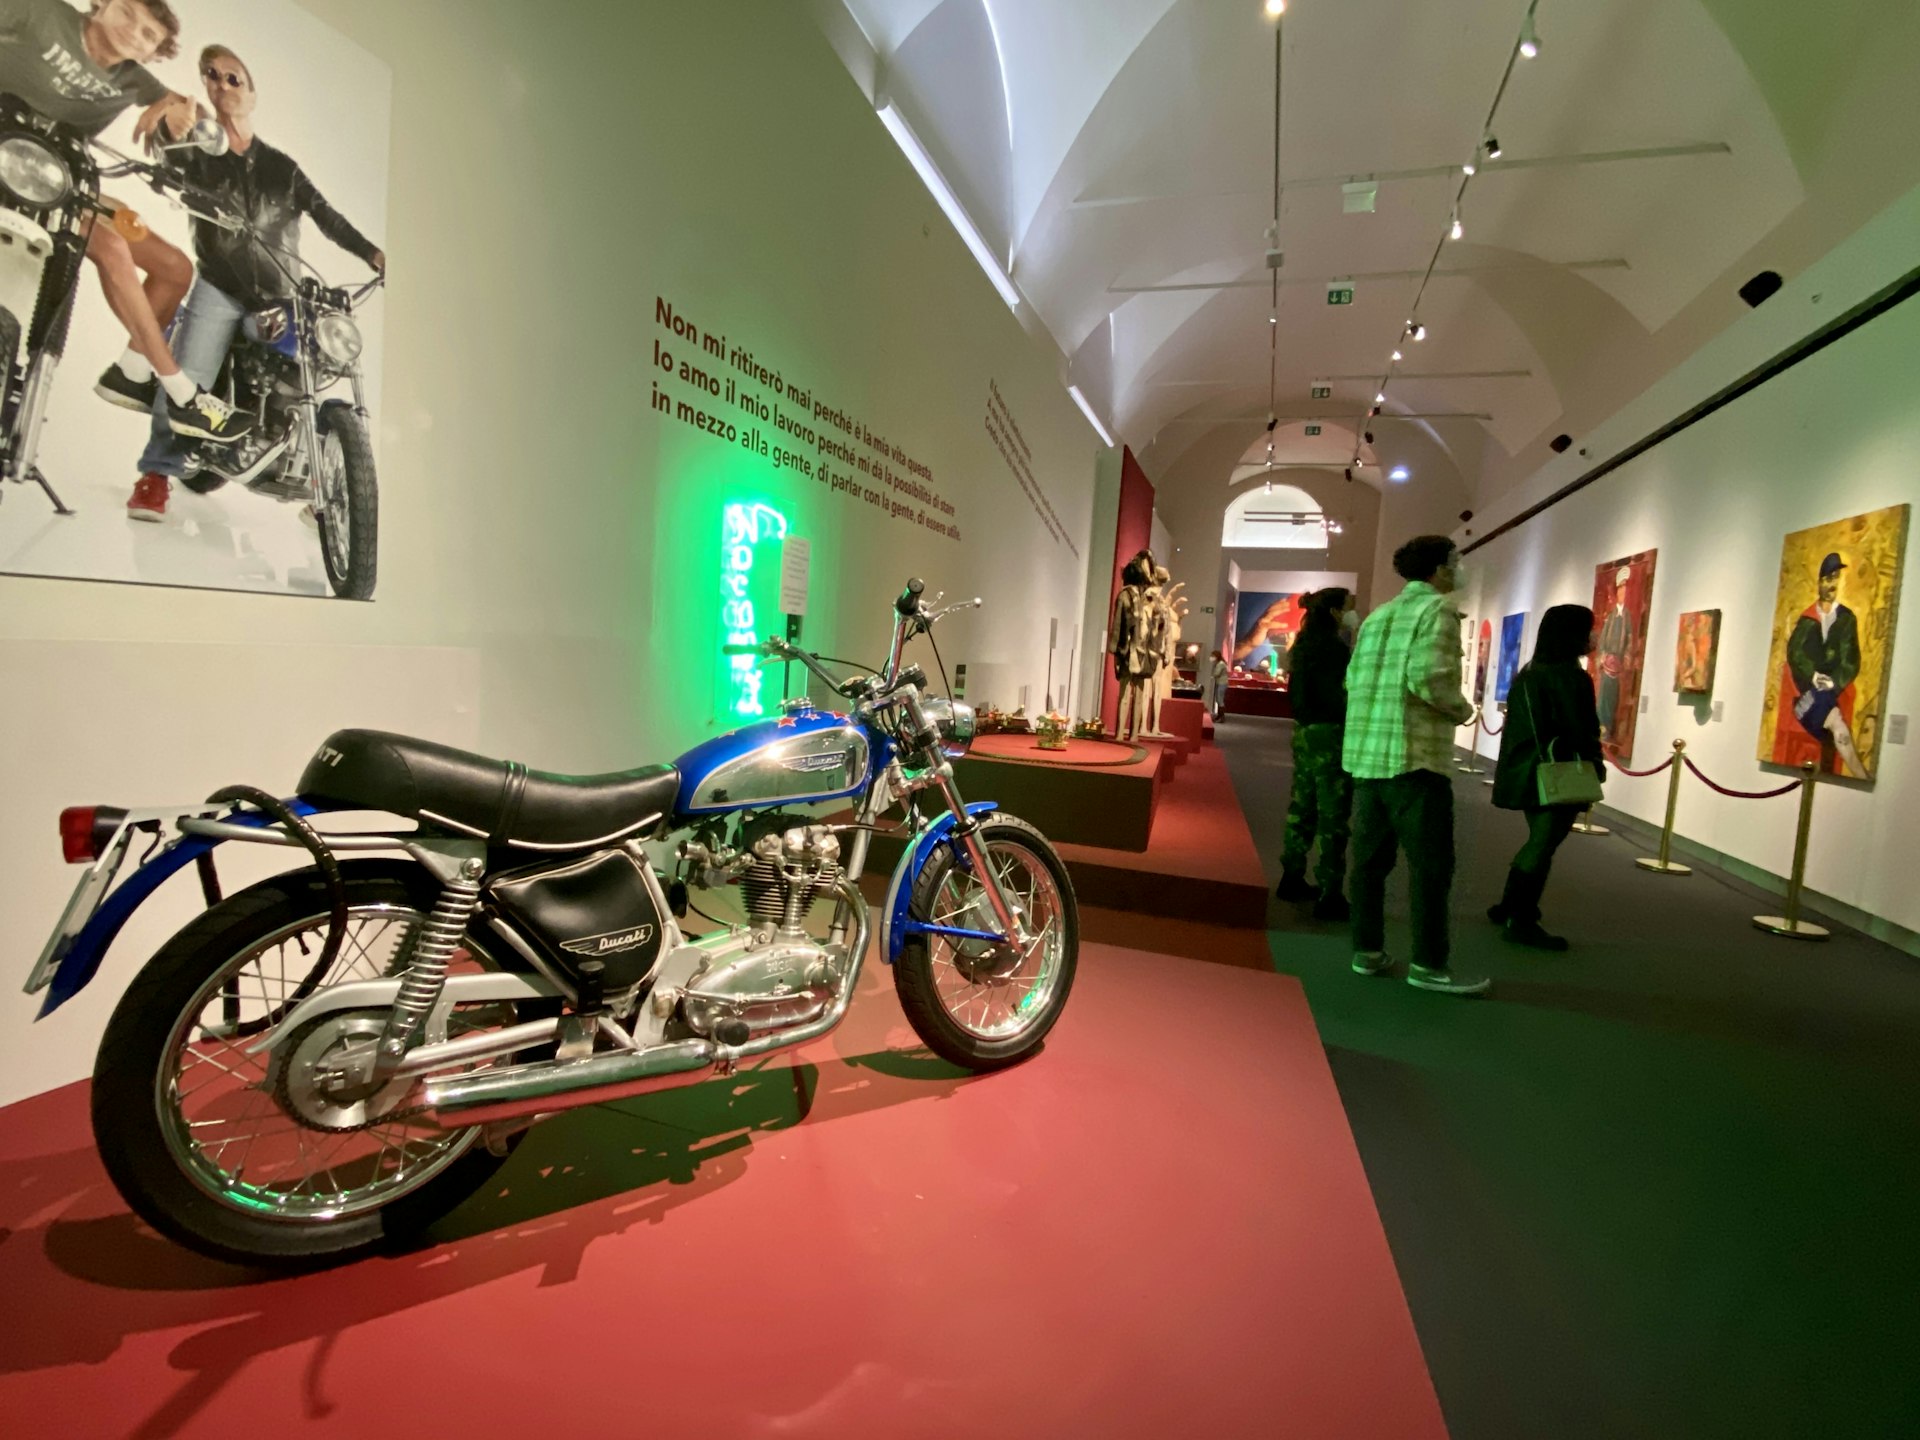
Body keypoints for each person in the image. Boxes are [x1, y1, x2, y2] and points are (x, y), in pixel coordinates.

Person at [125, 42, 386, 520]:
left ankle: (322, 484)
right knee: (189, 379)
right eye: (211, 75)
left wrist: (374, 254)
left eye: (232, 78)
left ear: (252, 94)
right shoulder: (196, 153)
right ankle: (156, 474)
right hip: (221, 287)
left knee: (310, 370)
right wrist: (167, 125)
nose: (220, 85)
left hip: (283, 292)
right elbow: (165, 170)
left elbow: (327, 216)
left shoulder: (281, 168)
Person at [0, 0, 253, 444]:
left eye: (149, 36)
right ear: (100, 4)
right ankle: (181, 392)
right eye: (127, 13)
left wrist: (177, 116)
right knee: (114, 247)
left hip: (56, 181)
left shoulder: (134, 78)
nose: (134, 32)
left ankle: (131, 375)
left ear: (155, 53)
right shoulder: (41, 13)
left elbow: (190, 123)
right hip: (9, 151)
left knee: (174, 267)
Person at [1343, 535, 1487, 996]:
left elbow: (1353, 680)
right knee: (1430, 867)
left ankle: (1366, 951)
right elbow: (1429, 677)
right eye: (1456, 561)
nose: (1459, 569)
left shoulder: (1377, 617)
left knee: (1367, 863)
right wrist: (1463, 710)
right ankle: (1428, 964)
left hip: (1367, 759)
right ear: (1440, 569)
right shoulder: (1438, 612)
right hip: (1415, 759)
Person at [1488, 604, 1604, 950]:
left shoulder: (1530, 672)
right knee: (1543, 842)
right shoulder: (1569, 677)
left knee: (1538, 838)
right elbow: (1579, 728)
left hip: (1527, 769)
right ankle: (1520, 919)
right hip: (1558, 770)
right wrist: (1594, 763)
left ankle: (1510, 905)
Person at [1276, 588, 1353, 921]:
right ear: (1335, 612)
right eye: (1349, 607)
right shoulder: (1335, 649)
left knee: (1302, 806)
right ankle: (1329, 893)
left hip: (1304, 733)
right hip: (1331, 735)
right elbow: (1342, 695)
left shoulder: (1305, 645)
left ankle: (1291, 877)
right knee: (1333, 815)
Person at [1769, 551, 1866, 777]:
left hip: (1833, 690)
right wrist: (1814, 676)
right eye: (1826, 579)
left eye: (1835, 578)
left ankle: (1859, 773)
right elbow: (1795, 654)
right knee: (1833, 720)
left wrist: (1833, 683)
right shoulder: (1807, 620)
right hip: (1808, 691)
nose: (1831, 584)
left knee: (1836, 721)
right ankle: (1859, 772)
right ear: (1819, 583)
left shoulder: (1846, 618)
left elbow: (1851, 661)